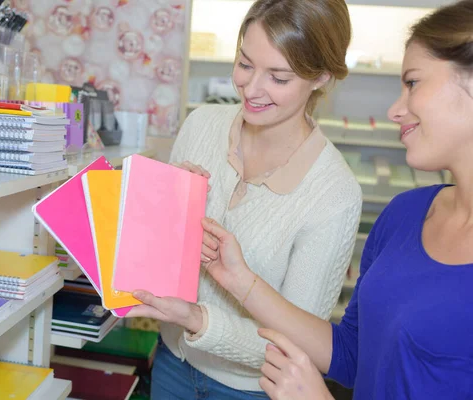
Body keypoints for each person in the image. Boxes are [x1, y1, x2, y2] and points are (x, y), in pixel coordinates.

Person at [198, 1, 473, 399]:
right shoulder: (405, 214)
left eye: (412, 83)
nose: (396, 110)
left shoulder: (336, 190)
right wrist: (239, 280)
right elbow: (350, 354)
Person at [125, 0, 362, 398]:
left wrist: (199, 319)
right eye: (245, 64)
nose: (251, 89)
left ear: (321, 76)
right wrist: (163, 203)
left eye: (279, 78)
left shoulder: (334, 195)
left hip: (250, 389)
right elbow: (157, 258)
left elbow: (296, 344)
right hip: (171, 361)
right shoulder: (201, 125)